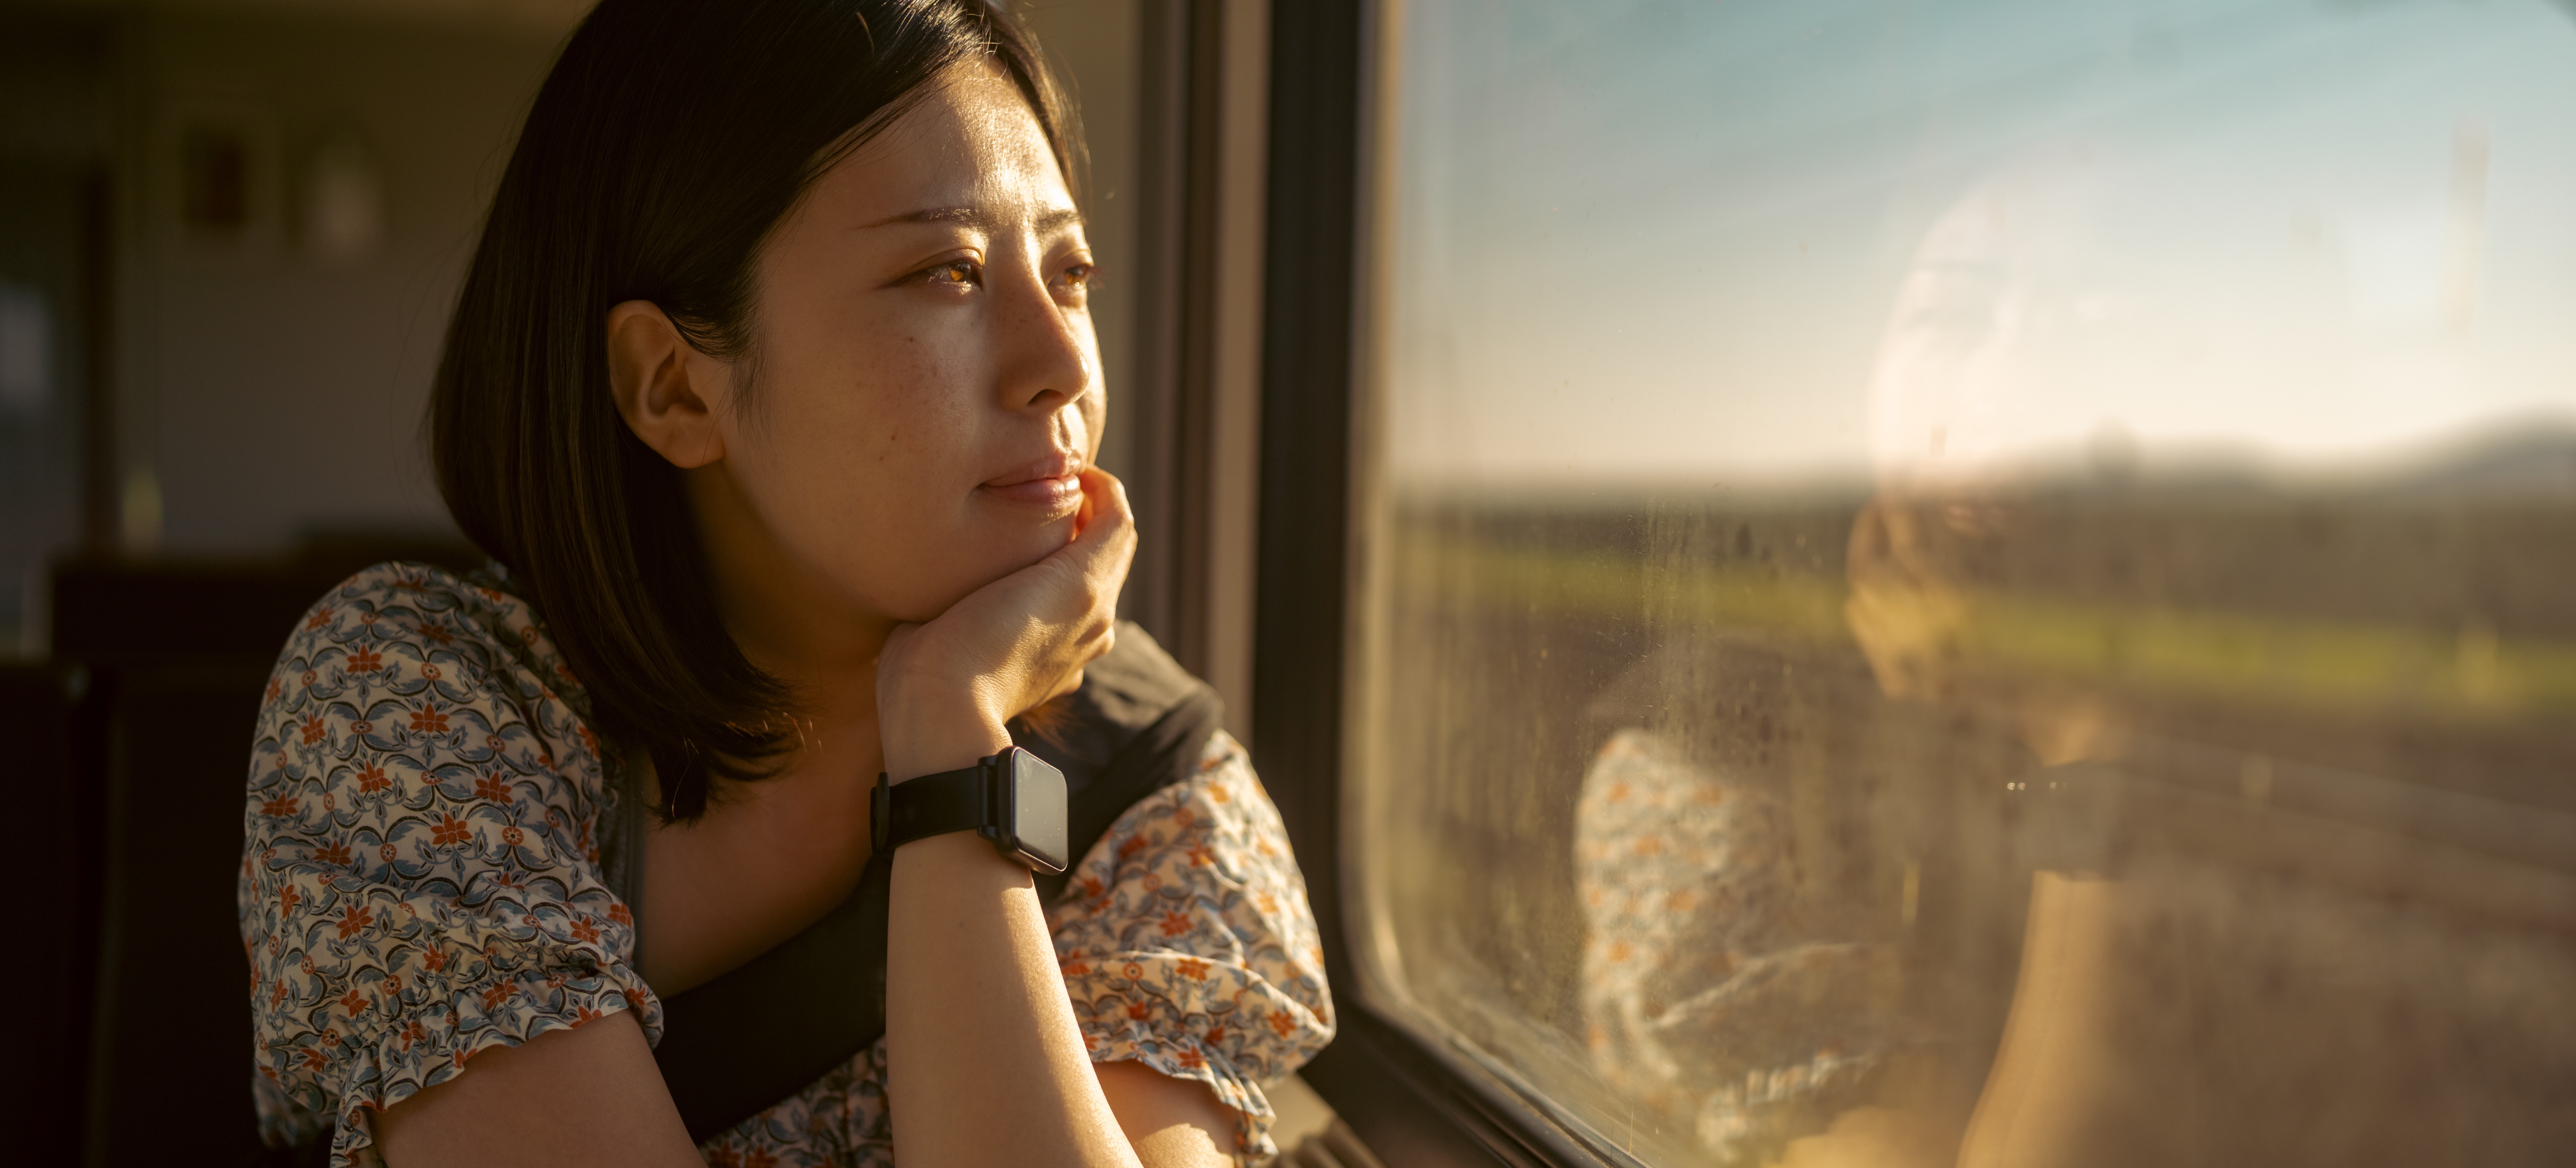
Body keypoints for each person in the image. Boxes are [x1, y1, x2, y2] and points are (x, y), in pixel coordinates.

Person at [235, 3, 1332, 1166]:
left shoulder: (1152, 782)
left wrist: (953, 734)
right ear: (676, 388)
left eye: (1070, 271)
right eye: (947, 271)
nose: (1063, 361)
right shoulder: (419, 698)